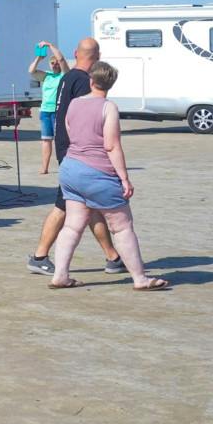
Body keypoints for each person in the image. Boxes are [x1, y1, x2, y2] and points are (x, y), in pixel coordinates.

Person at [42, 63, 167, 290]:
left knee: (71, 226)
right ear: (110, 84)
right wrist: (124, 178)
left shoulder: (74, 104)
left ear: (91, 80)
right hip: (98, 172)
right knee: (121, 227)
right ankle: (140, 279)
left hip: (70, 170)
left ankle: (60, 275)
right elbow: (111, 146)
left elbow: (70, 132)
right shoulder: (108, 108)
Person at [28, 37, 120, 275]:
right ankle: (39, 256)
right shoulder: (82, 82)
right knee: (64, 206)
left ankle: (113, 256)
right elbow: (84, 120)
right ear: (98, 55)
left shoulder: (68, 78)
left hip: (66, 148)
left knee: (88, 205)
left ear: (75, 53)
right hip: (77, 153)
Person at [33, 44, 68, 175]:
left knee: (60, 139)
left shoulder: (64, 75)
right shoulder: (46, 76)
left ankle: (64, 166)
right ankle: (45, 168)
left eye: (56, 63)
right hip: (45, 111)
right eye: (52, 63)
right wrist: (39, 58)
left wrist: (49, 45)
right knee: (46, 140)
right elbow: (31, 71)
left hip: (58, 111)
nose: (54, 65)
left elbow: (63, 61)